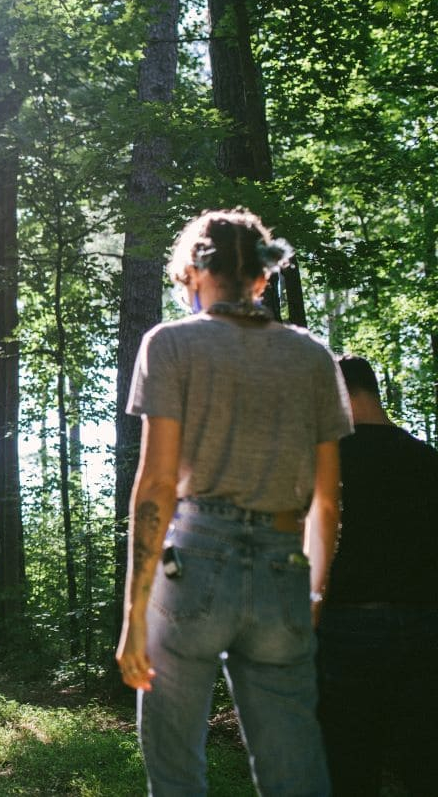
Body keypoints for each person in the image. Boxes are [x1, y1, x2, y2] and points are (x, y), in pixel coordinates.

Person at [115, 208, 352, 795]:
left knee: (176, 772)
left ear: (194, 274)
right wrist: (313, 592)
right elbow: (327, 501)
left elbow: (156, 486)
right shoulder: (313, 356)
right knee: (294, 767)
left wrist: (134, 616)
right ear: (262, 280)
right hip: (282, 563)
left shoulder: (170, 344)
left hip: (193, 560)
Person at [315, 355, 438, 796]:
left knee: (348, 767)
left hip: (347, 630)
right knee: (425, 766)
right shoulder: (427, 460)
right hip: (427, 630)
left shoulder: (324, 465)